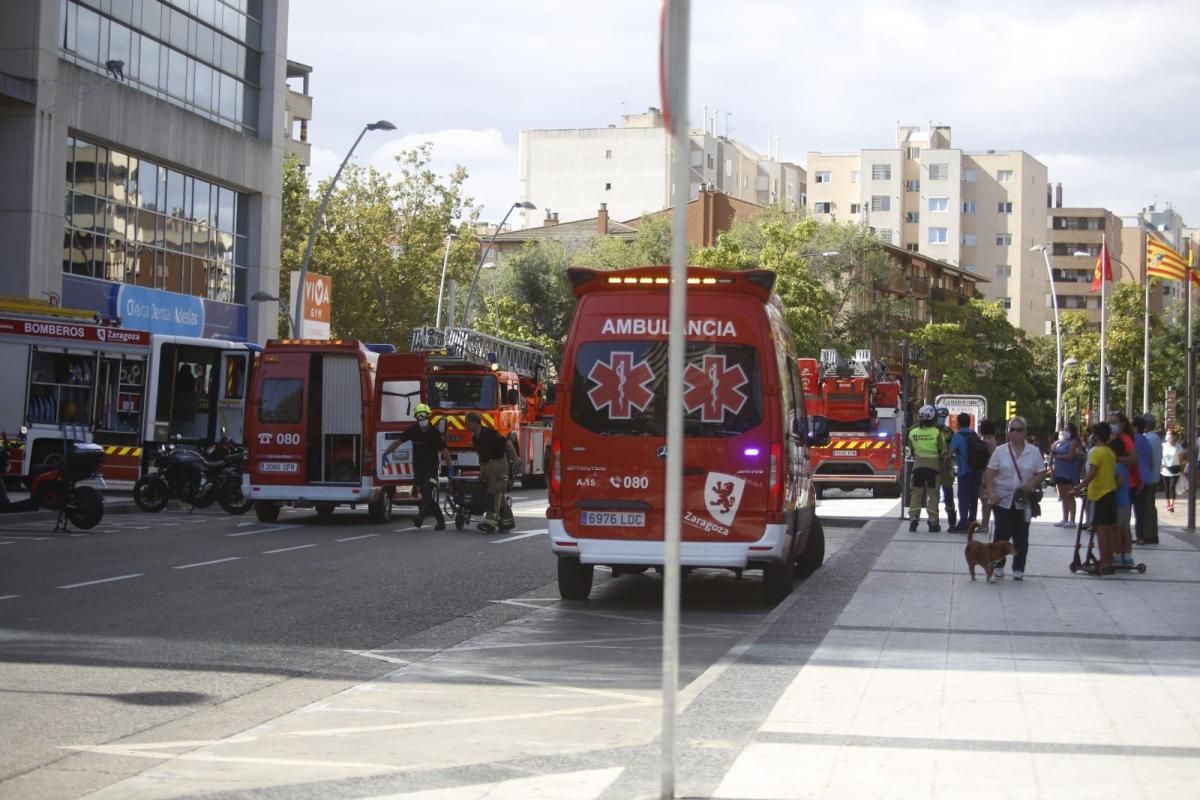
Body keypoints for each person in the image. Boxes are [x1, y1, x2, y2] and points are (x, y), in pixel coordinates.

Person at [981, 416, 1047, 580]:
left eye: (1019, 430)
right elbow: (990, 472)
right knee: (1001, 532)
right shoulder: (1000, 451)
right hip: (1002, 499)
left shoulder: (1033, 452)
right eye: (1012, 430)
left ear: (1025, 432)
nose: (1015, 433)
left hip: (1023, 499)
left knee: (1021, 535)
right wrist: (991, 493)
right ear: (1007, 432)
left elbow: (1042, 472)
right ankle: (998, 565)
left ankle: (1018, 567)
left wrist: (1029, 485)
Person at [383, 403, 451, 530]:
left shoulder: (434, 433)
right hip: (418, 470)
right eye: (419, 418)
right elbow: (398, 442)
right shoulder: (413, 430)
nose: (422, 420)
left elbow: (444, 451)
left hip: (431, 469)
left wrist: (450, 468)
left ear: (429, 417)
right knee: (426, 496)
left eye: (424, 417)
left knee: (426, 492)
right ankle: (439, 521)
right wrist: (385, 454)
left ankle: (420, 518)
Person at [465, 411, 520, 533]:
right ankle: (507, 522)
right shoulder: (475, 438)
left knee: (494, 492)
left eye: (467, 422)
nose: (466, 425)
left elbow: (508, 443)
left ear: (474, 423)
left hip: (499, 465)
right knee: (496, 493)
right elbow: (481, 455)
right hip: (488, 467)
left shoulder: (490, 434)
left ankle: (490, 522)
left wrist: (515, 458)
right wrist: (482, 470)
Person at [1076, 423, 1119, 575]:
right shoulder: (1110, 452)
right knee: (1108, 530)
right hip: (1110, 493)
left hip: (1099, 495)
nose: (1091, 437)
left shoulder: (1096, 453)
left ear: (1097, 436)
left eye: (1093, 434)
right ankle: (1108, 561)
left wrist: (1078, 487)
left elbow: (1092, 474)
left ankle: (1104, 562)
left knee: (1101, 531)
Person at [907, 404, 945, 532]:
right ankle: (933, 522)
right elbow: (942, 450)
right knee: (933, 495)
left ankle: (913, 520)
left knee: (916, 493)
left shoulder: (912, 433)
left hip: (918, 467)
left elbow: (910, 450)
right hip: (933, 468)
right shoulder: (937, 432)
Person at [948, 412, 982, 532]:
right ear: (969, 422)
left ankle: (963, 522)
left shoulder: (958, 436)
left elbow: (950, 453)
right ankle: (972, 521)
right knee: (974, 497)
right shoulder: (975, 435)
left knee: (963, 497)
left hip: (964, 471)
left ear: (958, 423)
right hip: (977, 471)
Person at [1051, 423, 1085, 527]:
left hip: (1069, 472)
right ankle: (1064, 518)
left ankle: (1072, 520)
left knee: (1069, 495)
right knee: (1063, 495)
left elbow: (1071, 456)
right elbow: (1053, 448)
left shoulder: (1074, 442)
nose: (1064, 431)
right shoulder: (1060, 442)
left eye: (1067, 430)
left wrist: (1059, 456)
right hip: (1059, 471)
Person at [1111, 436, 1135, 567]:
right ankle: (1128, 556)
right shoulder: (1123, 466)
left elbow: (1119, 482)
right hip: (1125, 501)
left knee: (1118, 530)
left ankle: (1119, 555)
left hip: (1119, 502)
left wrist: (1110, 488)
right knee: (1125, 530)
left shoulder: (1118, 466)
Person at [1137, 414, 1161, 544]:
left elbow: (1147, 460)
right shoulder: (1156, 438)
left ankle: (1148, 534)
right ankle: (1151, 533)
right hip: (1154, 477)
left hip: (1148, 478)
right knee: (1150, 507)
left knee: (1147, 508)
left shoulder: (1148, 439)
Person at [935, 405, 957, 530]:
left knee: (948, 494)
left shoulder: (948, 431)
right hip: (934, 465)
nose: (942, 419)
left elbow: (952, 448)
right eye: (940, 417)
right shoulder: (931, 430)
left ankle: (952, 522)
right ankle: (934, 521)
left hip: (946, 466)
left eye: (944, 417)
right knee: (934, 496)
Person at [978, 418, 998, 532]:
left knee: (985, 501)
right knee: (985, 500)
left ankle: (984, 524)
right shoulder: (993, 441)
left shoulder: (986, 442)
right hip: (989, 472)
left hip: (985, 472)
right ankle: (984, 523)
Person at [1162, 428, 1182, 513]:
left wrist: (1182, 468)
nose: (1168, 436)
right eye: (1167, 434)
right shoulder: (1163, 445)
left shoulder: (1178, 446)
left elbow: (1181, 458)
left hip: (1175, 470)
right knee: (1166, 488)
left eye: (1170, 434)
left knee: (1172, 487)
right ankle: (1168, 504)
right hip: (1165, 469)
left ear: (1174, 436)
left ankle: (1172, 505)